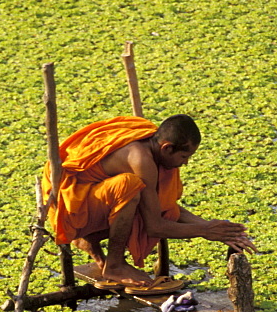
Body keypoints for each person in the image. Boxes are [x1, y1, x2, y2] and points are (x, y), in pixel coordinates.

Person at [42, 114, 256, 288]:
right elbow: (155, 226)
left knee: (147, 201)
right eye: (184, 157)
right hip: (70, 207)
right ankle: (114, 265)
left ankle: (90, 239)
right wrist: (205, 232)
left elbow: (163, 208)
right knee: (128, 186)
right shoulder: (141, 160)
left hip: (90, 198)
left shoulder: (150, 146)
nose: (186, 164)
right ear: (167, 148)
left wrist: (212, 226)